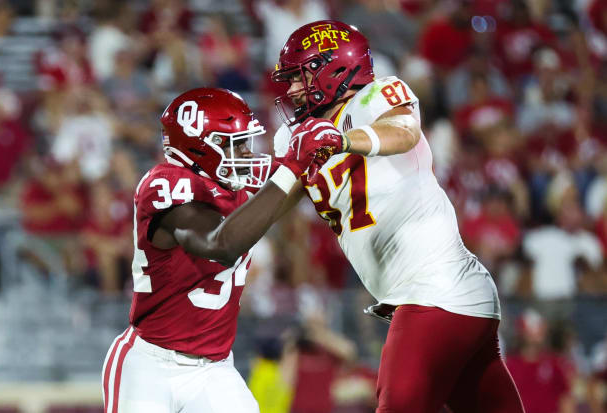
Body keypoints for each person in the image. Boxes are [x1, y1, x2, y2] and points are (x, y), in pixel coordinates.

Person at [269, 20, 526, 412]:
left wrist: (341, 139)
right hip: (443, 297)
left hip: (435, 289)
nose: (290, 90)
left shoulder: (376, 95)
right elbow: (273, 201)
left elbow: (403, 129)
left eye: (299, 77)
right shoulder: (294, 136)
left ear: (334, 69)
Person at [101, 87, 340, 413]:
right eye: (235, 144)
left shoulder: (237, 187)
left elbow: (285, 195)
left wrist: (323, 153)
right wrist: (292, 168)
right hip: (149, 364)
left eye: (246, 142)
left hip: (213, 369)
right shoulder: (167, 183)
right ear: (199, 148)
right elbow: (219, 244)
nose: (246, 153)